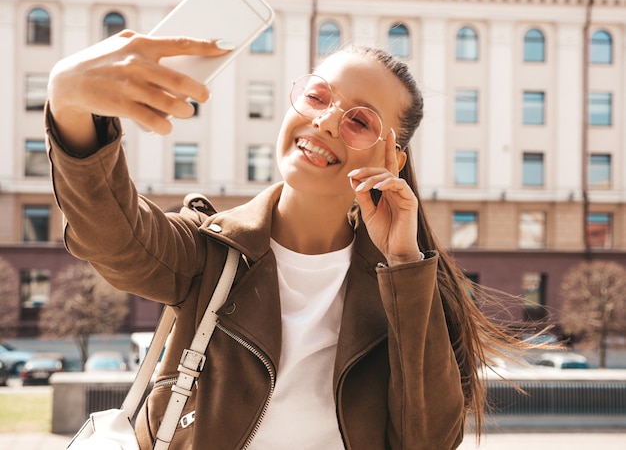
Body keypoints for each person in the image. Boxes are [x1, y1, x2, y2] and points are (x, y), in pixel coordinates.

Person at [46, 30, 520, 449]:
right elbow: (114, 238)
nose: (327, 122)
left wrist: (404, 262)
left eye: (360, 121)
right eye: (318, 97)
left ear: (392, 160)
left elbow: (429, 441)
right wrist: (69, 106)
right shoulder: (209, 251)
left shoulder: (405, 286)